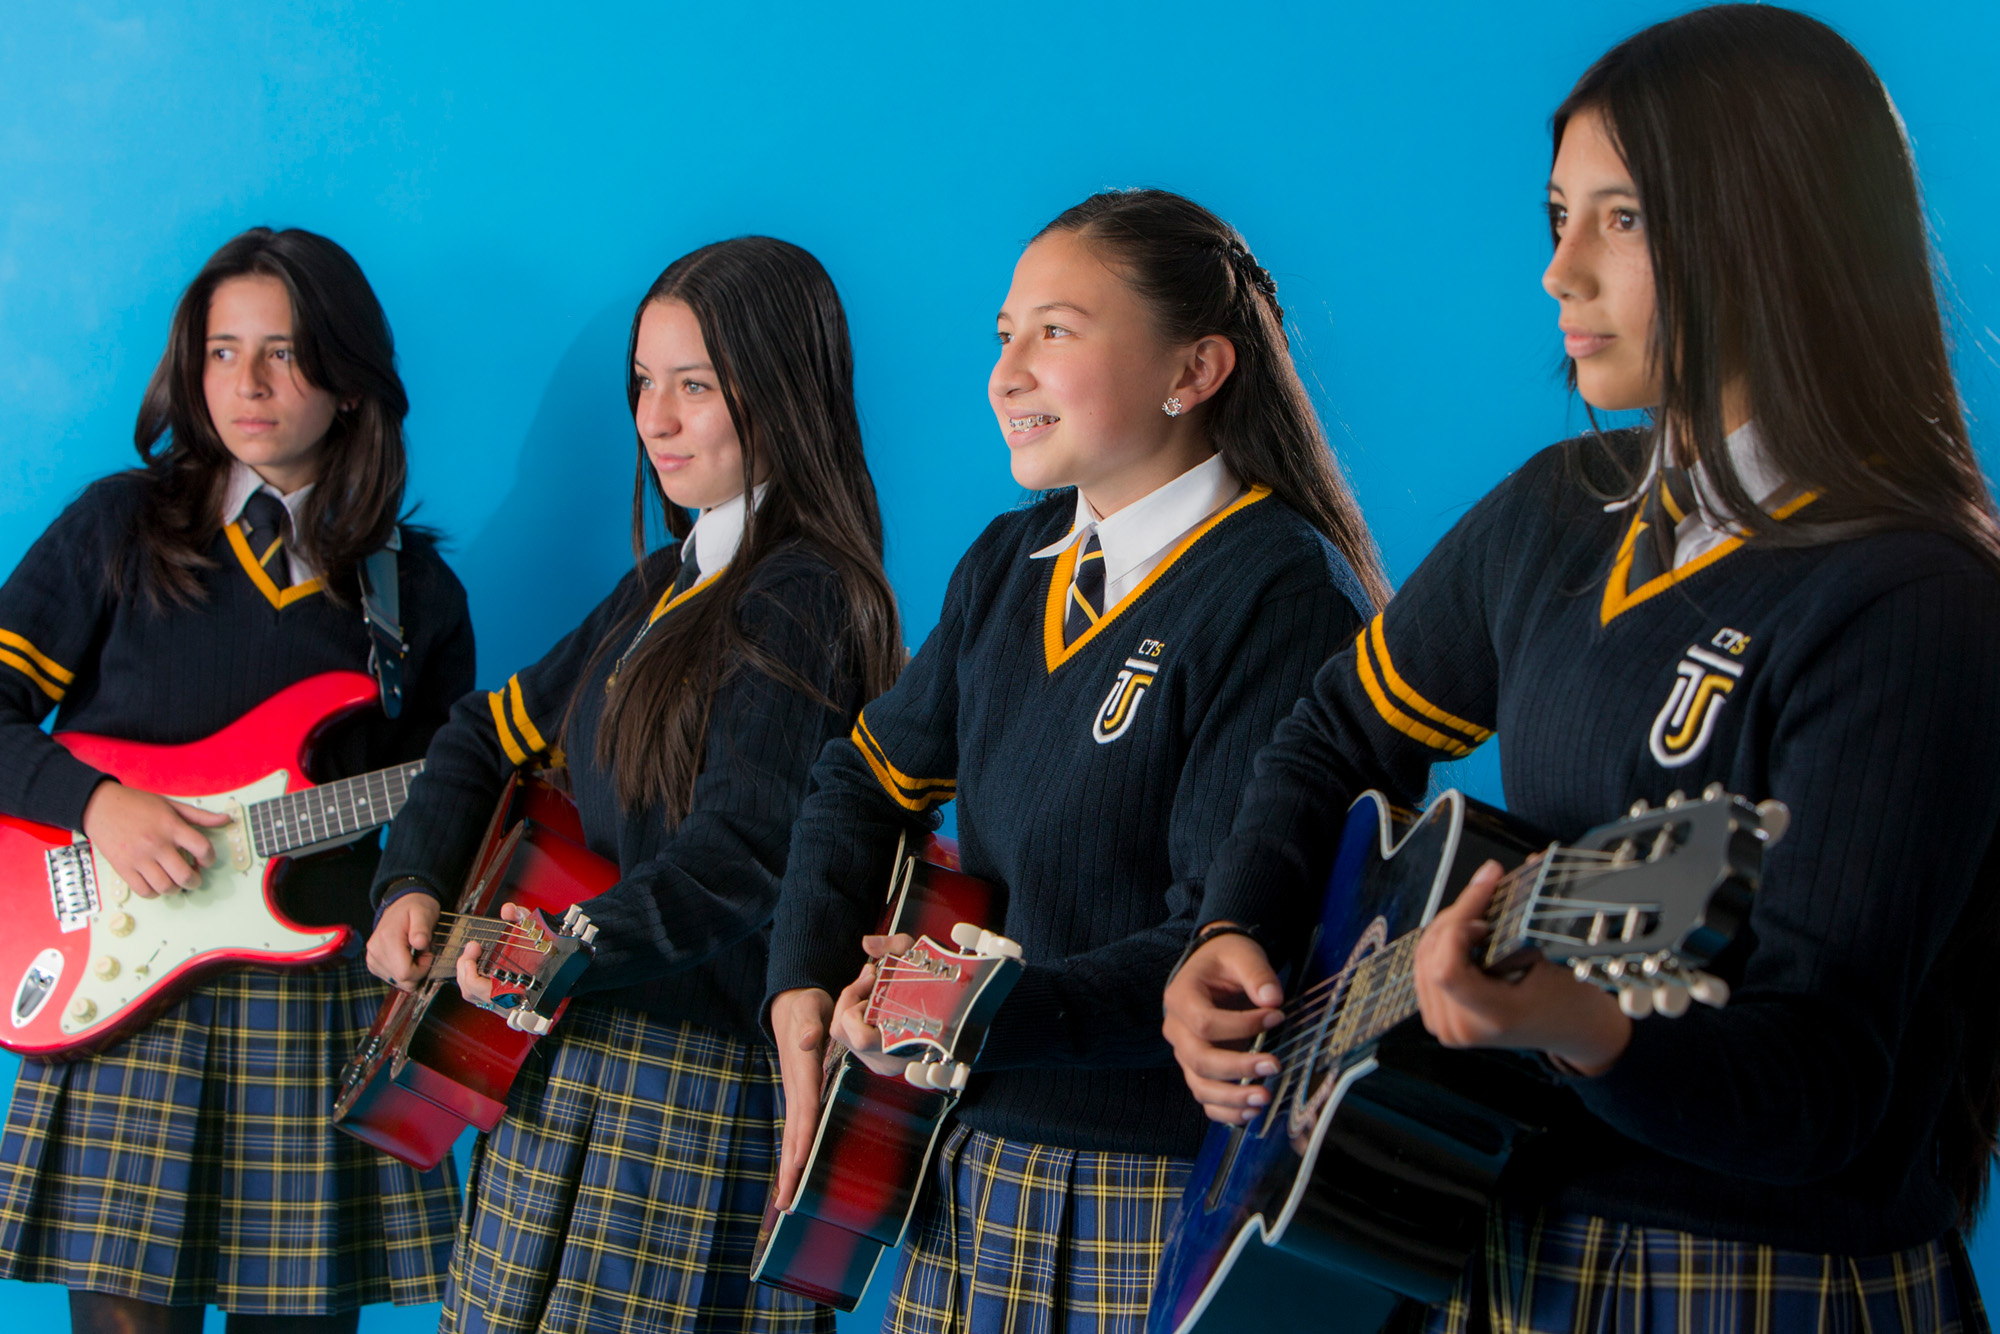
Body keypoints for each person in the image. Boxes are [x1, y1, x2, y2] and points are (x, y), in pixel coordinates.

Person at [1164, 8, 2000, 1331]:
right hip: (1506, 1254)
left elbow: (1821, 1089)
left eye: (1621, 219)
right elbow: (1329, 734)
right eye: (1559, 216)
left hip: (1753, 1279)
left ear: (1773, 232)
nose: (1560, 270)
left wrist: (1583, 1026)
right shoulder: (1559, 510)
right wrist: (1232, 931)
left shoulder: (1910, 600)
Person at [766, 188, 1389, 1334]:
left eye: (1053, 331)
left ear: (1194, 368)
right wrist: (805, 975)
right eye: (1002, 334)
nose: (1004, 374)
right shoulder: (1008, 562)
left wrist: (971, 1006)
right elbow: (860, 779)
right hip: (966, 1168)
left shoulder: (1279, 591)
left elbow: (1224, 934)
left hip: (1152, 1188)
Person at [365, 235, 901, 1334]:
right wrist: (411, 880)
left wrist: (562, 944)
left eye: (693, 385)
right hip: (562, 1059)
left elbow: (741, 856)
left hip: (689, 1094)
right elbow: (481, 735)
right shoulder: (661, 582)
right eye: (644, 382)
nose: (654, 419)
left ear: (783, 389)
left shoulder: (806, 594)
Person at [0, 227, 474, 1334]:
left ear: (349, 381)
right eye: (222, 352)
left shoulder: (415, 592)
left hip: (317, 1002)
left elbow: (447, 808)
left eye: (284, 353)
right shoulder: (120, 527)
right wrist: (93, 805)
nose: (247, 384)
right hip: (121, 989)